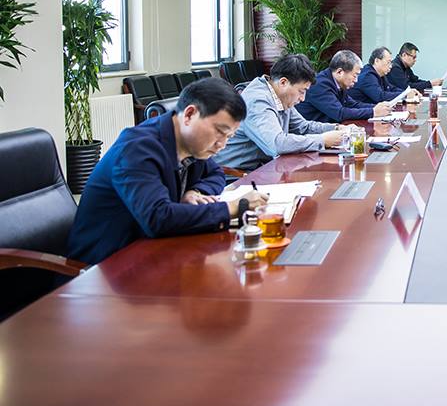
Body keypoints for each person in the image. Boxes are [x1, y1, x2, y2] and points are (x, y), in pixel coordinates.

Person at [66, 78, 268, 265]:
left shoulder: (190, 144)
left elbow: (215, 174)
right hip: (105, 267)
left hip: (152, 253)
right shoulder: (137, 149)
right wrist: (233, 207)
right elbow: (158, 218)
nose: (222, 144)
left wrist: (196, 192)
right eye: (220, 132)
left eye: (229, 137)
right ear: (189, 114)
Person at [215, 53, 346, 171]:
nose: (303, 98)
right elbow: (277, 144)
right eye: (301, 91)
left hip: (264, 168)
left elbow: (303, 127)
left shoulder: (280, 96)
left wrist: (336, 128)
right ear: (283, 82)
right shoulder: (257, 100)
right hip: (238, 174)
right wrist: (322, 140)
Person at [297, 49, 393, 122]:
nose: (356, 80)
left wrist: (377, 107)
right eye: (355, 75)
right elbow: (339, 113)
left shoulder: (338, 83)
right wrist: (373, 112)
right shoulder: (320, 85)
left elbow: (352, 104)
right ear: (340, 72)